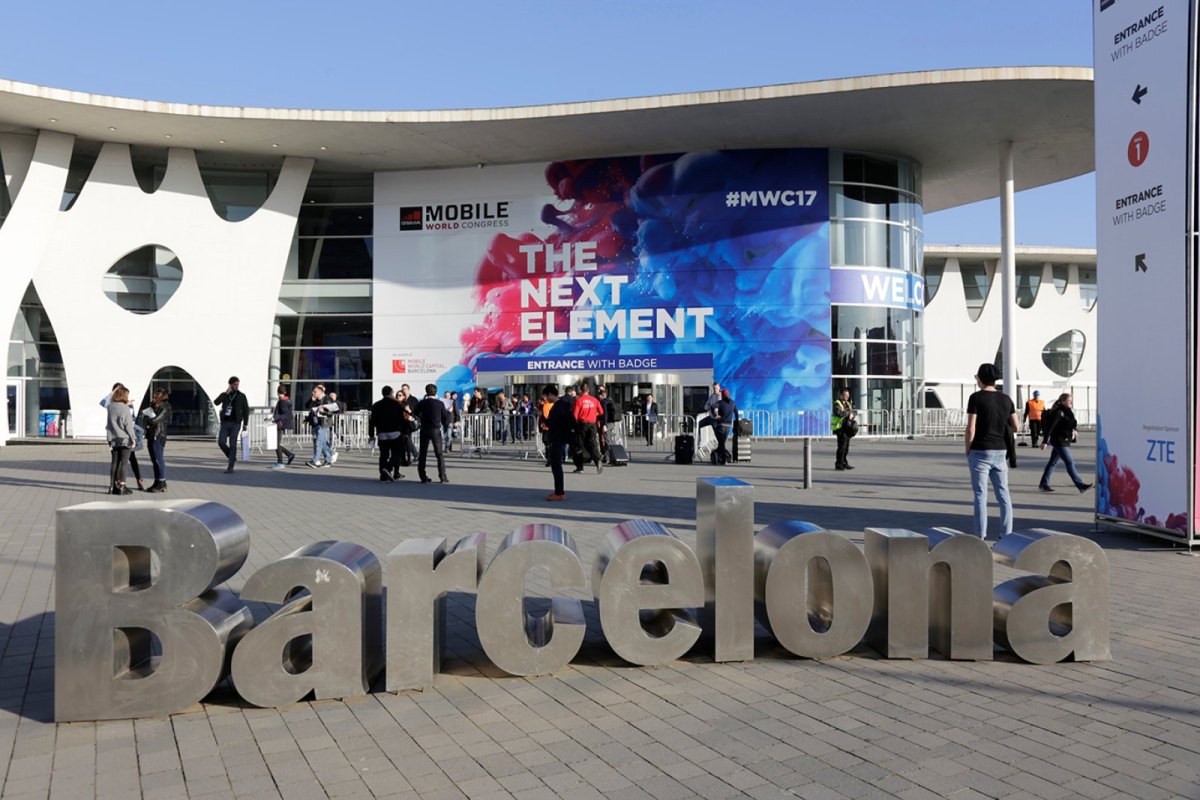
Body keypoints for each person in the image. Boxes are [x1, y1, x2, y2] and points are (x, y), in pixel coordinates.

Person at [965, 363, 1019, 540]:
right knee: (1003, 494)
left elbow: (971, 428)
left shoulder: (976, 398)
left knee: (980, 494)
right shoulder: (1006, 399)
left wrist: (968, 449)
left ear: (980, 379)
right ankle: (1007, 534)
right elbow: (1016, 425)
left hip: (980, 450)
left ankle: (980, 535)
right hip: (1000, 451)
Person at [1039, 393, 1093, 493]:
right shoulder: (1059, 412)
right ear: (1063, 401)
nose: (1071, 402)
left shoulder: (1067, 412)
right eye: (1069, 400)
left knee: (1052, 462)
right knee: (1070, 462)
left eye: (1071, 400)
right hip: (1059, 441)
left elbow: (1071, 423)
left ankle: (1043, 484)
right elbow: (1050, 428)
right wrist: (1045, 441)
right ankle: (1080, 485)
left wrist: (1074, 430)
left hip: (1064, 440)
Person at [544, 385, 575, 501]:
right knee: (556, 465)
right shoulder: (562, 405)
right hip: (560, 437)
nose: (546, 399)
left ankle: (559, 492)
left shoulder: (558, 407)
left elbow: (552, 423)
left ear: (551, 394)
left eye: (546, 396)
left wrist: (543, 419)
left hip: (557, 438)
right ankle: (558, 491)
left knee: (556, 466)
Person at [416, 383, 452, 483]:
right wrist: (449, 411)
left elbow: (415, 413)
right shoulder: (440, 403)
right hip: (435, 430)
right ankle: (442, 476)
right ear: (436, 392)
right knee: (439, 453)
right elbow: (446, 417)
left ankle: (422, 476)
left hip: (424, 429)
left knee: (423, 453)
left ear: (426, 392)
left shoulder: (422, 403)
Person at [369, 385, 406, 482]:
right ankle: (388, 468)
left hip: (382, 434)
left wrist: (371, 434)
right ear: (391, 393)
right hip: (395, 432)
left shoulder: (376, 405)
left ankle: (382, 475)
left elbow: (372, 421)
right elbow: (401, 419)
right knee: (397, 453)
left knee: (383, 455)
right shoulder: (396, 404)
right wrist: (404, 431)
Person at [213, 376, 249, 474]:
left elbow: (246, 410)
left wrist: (245, 423)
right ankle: (231, 457)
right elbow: (216, 402)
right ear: (230, 385)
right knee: (221, 442)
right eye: (234, 384)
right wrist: (225, 394)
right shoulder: (225, 395)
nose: (236, 386)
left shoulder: (241, 396)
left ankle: (230, 466)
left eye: (238, 384)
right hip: (225, 422)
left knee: (233, 444)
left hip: (236, 423)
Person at [106, 386, 137, 495]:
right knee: (123, 463)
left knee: (114, 462)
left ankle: (112, 486)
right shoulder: (125, 408)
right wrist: (133, 438)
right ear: (124, 396)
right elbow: (128, 425)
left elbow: (109, 423)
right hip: (124, 439)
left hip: (113, 438)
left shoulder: (110, 407)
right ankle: (122, 486)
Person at [141, 389, 171, 492]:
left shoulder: (166, 406)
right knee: (154, 460)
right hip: (151, 435)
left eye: (156, 396)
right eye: (154, 395)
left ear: (162, 396)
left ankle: (161, 482)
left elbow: (155, 420)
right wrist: (148, 419)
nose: (154, 397)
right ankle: (157, 481)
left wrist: (149, 420)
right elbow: (145, 418)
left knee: (158, 459)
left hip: (158, 436)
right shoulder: (153, 405)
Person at [573, 381, 604, 474]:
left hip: (582, 424)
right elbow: (601, 412)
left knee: (579, 445)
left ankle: (580, 467)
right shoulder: (594, 400)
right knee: (593, 444)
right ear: (588, 390)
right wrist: (594, 414)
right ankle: (598, 460)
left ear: (580, 390)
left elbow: (575, 415)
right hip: (592, 424)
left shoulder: (579, 400)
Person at [305, 384, 334, 468]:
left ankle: (315, 460)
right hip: (315, 423)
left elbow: (331, 412)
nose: (313, 393)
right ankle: (328, 460)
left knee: (318, 442)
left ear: (321, 392)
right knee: (323, 442)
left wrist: (323, 412)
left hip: (323, 424)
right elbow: (307, 407)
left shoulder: (327, 399)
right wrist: (311, 400)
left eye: (315, 392)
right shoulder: (314, 400)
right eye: (313, 391)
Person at [270, 386, 295, 470]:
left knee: (276, 444)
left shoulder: (282, 402)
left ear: (277, 392)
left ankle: (280, 462)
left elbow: (285, 414)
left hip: (280, 424)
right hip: (282, 424)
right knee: (276, 444)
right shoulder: (287, 401)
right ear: (285, 392)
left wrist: (275, 418)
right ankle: (289, 455)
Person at [832, 388, 855, 470]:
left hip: (847, 428)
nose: (846, 397)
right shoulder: (837, 403)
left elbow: (852, 412)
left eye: (848, 395)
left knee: (846, 447)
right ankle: (838, 463)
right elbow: (838, 413)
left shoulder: (848, 404)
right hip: (840, 428)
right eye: (845, 395)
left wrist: (852, 415)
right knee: (841, 447)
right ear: (841, 395)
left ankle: (844, 462)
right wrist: (848, 413)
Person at [712, 389, 736, 465]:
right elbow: (737, 412)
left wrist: (716, 415)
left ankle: (724, 460)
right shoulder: (732, 402)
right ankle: (720, 456)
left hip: (721, 425)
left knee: (721, 443)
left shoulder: (720, 402)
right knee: (722, 443)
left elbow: (713, 407)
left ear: (722, 395)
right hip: (728, 426)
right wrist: (737, 422)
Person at [398, 384, 420, 466]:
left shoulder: (414, 400)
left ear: (408, 390)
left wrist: (410, 411)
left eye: (405, 389)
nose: (403, 390)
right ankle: (410, 457)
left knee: (407, 440)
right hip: (401, 424)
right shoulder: (401, 399)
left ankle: (414, 455)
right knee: (406, 441)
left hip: (409, 424)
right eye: (402, 389)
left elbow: (417, 413)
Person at [326, 390, 346, 463]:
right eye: (330, 396)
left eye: (332, 396)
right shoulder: (327, 403)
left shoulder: (339, 403)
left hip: (337, 421)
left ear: (335, 397)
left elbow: (340, 411)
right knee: (331, 434)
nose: (331, 397)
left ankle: (345, 442)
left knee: (337, 433)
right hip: (329, 421)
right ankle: (332, 447)